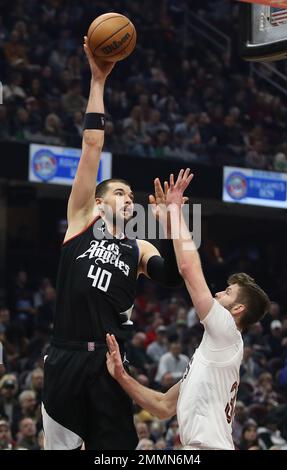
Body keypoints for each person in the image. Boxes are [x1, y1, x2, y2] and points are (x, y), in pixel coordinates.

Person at [42, 37, 183, 450]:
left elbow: (173, 277)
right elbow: (92, 145)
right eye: (118, 192)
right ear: (99, 202)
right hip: (65, 355)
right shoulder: (81, 221)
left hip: (110, 363)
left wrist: (172, 225)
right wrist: (98, 79)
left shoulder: (139, 248)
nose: (128, 197)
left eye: (129, 194)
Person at [106, 168, 270, 450]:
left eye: (228, 292)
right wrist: (122, 376)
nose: (219, 292)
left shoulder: (227, 330)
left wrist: (176, 214)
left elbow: (188, 269)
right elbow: (162, 406)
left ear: (238, 309)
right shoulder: (212, 355)